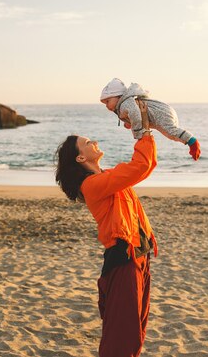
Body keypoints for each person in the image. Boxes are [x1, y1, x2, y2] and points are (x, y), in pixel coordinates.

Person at [55, 100, 157, 357]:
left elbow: (147, 166)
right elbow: (140, 166)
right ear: (80, 157)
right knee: (123, 336)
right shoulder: (92, 185)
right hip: (124, 260)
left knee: (136, 331)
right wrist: (141, 131)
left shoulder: (106, 177)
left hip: (140, 256)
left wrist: (146, 129)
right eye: (88, 143)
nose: (94, 143)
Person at [100, 77, 201, 161]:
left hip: (159, 112)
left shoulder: (125, 103)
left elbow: (135, 114)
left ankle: (192, 141)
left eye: (108, 101)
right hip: (162, 111)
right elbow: (134, 116)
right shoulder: (123, 105)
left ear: (118, 96)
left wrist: (139, 134)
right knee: (170, 134)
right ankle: (189, 141)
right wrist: (129, 123)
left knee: (171, 131)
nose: (107, 106)